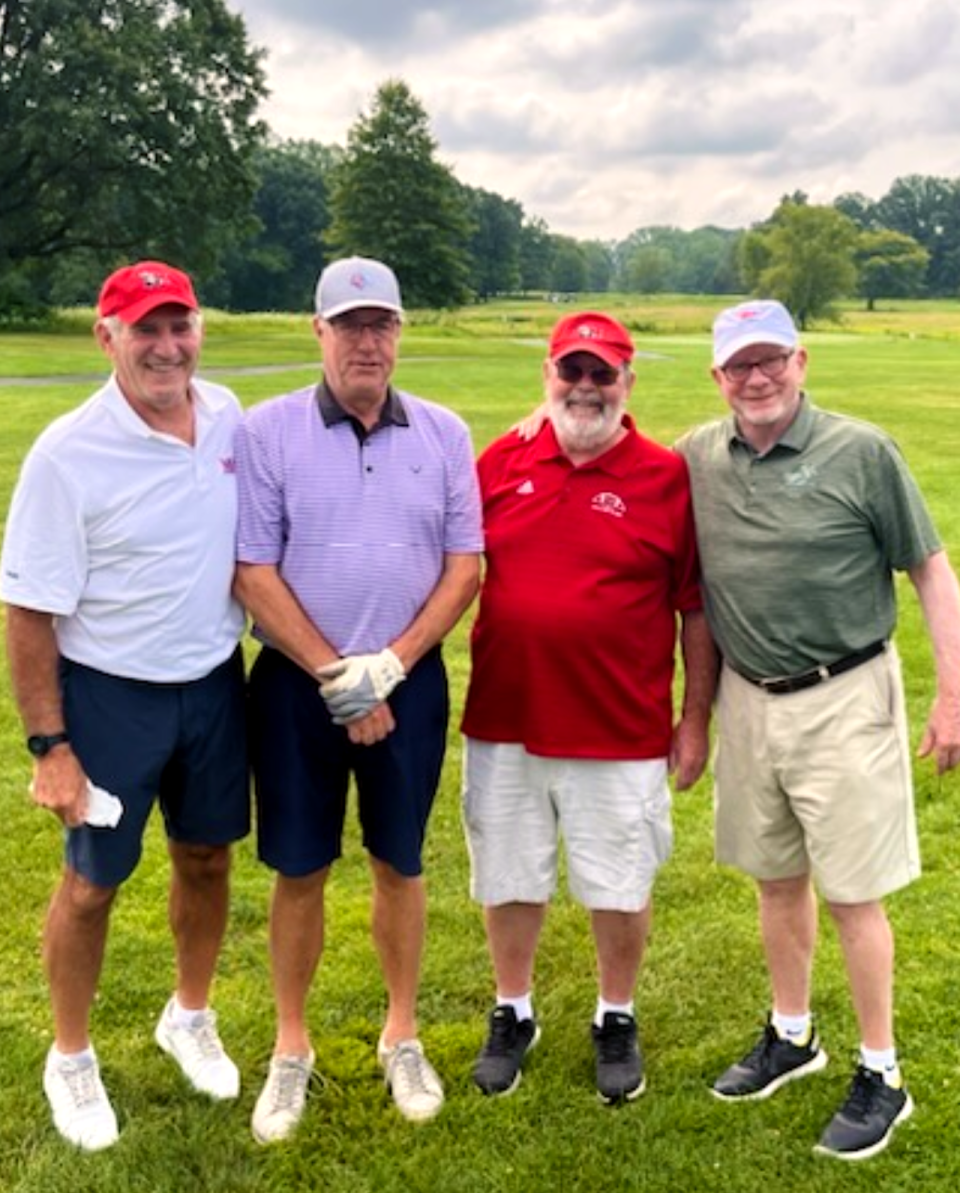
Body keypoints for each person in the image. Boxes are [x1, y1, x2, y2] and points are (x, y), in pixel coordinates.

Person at [676, 299, 960, 1160]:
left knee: (852, 891)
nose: (756, 379)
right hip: (749, 700)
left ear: (801, 362)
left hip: (845, 693)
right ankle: (793, 1035)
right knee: (775, 878)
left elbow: (931, 569)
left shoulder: (862, 451)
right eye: (739, 366)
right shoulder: (697, 456)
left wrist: (953, 693)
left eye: (771, 361)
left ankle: (885, 1072)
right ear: (717, 376)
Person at [233, 255, 483, 1142]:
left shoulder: (445, 433)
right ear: (320, 333)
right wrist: (341, 677)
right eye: (349, 325)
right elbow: (253, 571)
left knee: (399, 862)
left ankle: (401, 1031)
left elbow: (464, 567)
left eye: (381, 325)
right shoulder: (269, 431)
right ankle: (290, 1046)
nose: (366, 342)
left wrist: (392, 667)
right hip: (299, 688)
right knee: (299, 867)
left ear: (400, 333)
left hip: (407, 688)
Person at [0, 262, 249, 1152]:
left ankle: (188, 1013)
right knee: (93, 881)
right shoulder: (68, 454)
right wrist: (49, 745)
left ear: (200, 331)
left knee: (209, 857)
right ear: (105, 337)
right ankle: (69, 1054)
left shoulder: (227, 419)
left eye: (179, 325)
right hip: (109, 695)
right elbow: (28, 608)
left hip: (215, 680)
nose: (166, 346)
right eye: (145, 328)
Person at [460, 311, 716, 1103]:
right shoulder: (499, 460)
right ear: (548, 377)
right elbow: (448, 563)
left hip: (621, 725)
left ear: (627, 384)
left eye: (602, 373)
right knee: (508, 873)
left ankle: (616, 1013)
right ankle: (514, 1008)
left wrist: (696, 717)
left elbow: (695, 610)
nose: (585, 386)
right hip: (506, 716)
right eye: (571, 371)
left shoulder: (665, 476)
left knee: (619, 880)